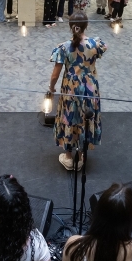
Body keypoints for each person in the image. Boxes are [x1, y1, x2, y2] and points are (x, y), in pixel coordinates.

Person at [49, 11, 107, 170]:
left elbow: (55, 74)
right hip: (89, 86)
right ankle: (81, 155)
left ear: (70, 26)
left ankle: (68, 157)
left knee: (69, 117)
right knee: (85, 117)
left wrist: (51, 88)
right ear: (86, 25)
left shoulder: (64, 47)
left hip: (71, 87)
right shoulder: (95, 44)